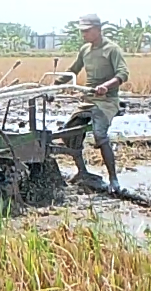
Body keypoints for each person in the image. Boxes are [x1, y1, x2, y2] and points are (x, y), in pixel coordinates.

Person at [55, 14, 129, 193]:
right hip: (88, 99)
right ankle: (82, 171)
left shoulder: (112, 49)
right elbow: (73, 70)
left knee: (99, 134)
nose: (84, 34)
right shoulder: (85, 50)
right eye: (82, 31)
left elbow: (123, 74)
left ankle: (113, 179)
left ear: (98, 29)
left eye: (87, 31)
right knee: (69, 133)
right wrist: (55, 84)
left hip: (106, 101)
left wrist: (106, 86)